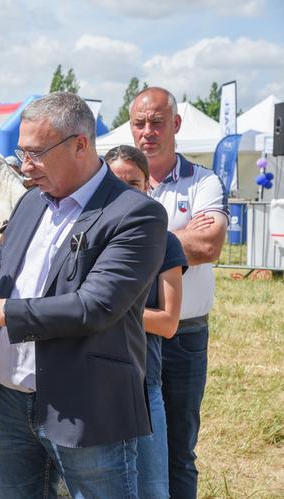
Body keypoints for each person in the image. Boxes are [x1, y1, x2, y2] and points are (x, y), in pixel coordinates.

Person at [0, 92, 168, 498]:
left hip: (86, 406)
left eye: (36, 153)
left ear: (81, 144)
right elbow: (1, 278)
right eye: (22, 152)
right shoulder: (30, 203)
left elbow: (93, 307)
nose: (25, 167)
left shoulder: (136, 213)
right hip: (11, 405)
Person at [129, 87, 228, 498]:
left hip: (184, 335)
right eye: (139, 123)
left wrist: (133, 241)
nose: (147, 132)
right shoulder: (116, 179)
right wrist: (176, 239)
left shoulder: (202, 181)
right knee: (126, 442)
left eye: (156, 122)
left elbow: (209, 246)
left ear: (176, 125)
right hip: (126, 331)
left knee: (179, 449)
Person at [106, 145, 188, 499]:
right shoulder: (86, 239)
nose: (125, 190)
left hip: (143, 383)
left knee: (153, 488)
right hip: (92, 387)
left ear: (147, 187)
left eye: (133, 183)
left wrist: (102, 309)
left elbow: (169, 322)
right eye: (115, 181)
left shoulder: (165, 243)